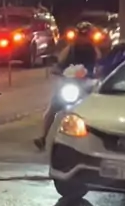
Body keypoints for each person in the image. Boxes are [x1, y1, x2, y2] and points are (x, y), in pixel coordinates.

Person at [34, 23, 101, 151]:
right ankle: (43, 137)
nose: (82, 38)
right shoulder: (69, 49)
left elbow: (98, 68)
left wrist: (94, 75)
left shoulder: (94, 51)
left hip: (85, 86)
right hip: (69, 84)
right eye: (80, 35)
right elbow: (60, 63)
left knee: (91, 112)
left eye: (85, 35)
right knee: (52, 109)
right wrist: (57, 70)